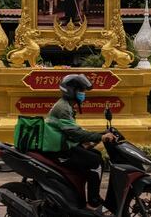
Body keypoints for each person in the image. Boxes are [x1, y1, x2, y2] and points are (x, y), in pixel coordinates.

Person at [47, 74, 116, 212]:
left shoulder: (66, 105)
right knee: (96, 161)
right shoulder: (63, 108)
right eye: (81, 91)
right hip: (61, 149)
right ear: (71, 91)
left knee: (94, 154)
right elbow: (74, 133)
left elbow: (73, 130)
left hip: (64, 145)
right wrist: (99, 137)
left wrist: (97, 136)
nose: (83, 94)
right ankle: (92, 202)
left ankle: (87, 197)